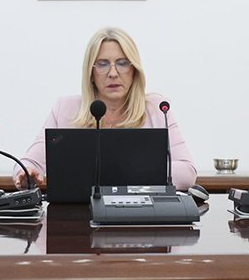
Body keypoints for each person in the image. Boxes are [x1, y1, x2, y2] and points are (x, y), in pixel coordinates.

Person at [14, 27, 198, 191]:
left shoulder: (157, 109)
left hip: (139, 214)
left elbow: (187, 172)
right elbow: (28, 163)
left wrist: (122, 168)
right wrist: (26, 173)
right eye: (102, 64)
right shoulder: (65, 108)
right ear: (91, 72)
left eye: (122, 63)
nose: (113, 73)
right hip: (78, 215)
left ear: (134, 70)